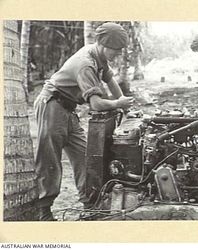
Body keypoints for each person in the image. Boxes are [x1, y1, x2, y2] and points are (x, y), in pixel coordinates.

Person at [34, 22, 134, 221]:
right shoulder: (86, 64)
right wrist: (117, 103)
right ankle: (43, 212)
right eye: (115, 50)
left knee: (87, 158)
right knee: (50, 161)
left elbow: (110, 80)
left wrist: (126, 106)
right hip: (51, 106)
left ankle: (91, 206)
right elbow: (96, 104)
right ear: (103, 44)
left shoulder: (98, 55)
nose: (118, 54)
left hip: (68, 109)